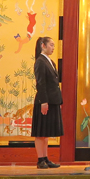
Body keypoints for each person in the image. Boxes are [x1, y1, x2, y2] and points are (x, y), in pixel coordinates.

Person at [31, 37, 63, 169]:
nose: (53, 48)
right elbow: (41, 83)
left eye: (54, 45)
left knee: (46, 132)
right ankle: (40, 160)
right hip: (43, 101)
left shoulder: (50, 61)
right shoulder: (40, 61)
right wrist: (44, 102)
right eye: (51, 45)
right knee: (40, 132)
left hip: (52, 100)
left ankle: (45, 158)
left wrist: (58, 100)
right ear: (43, 45)